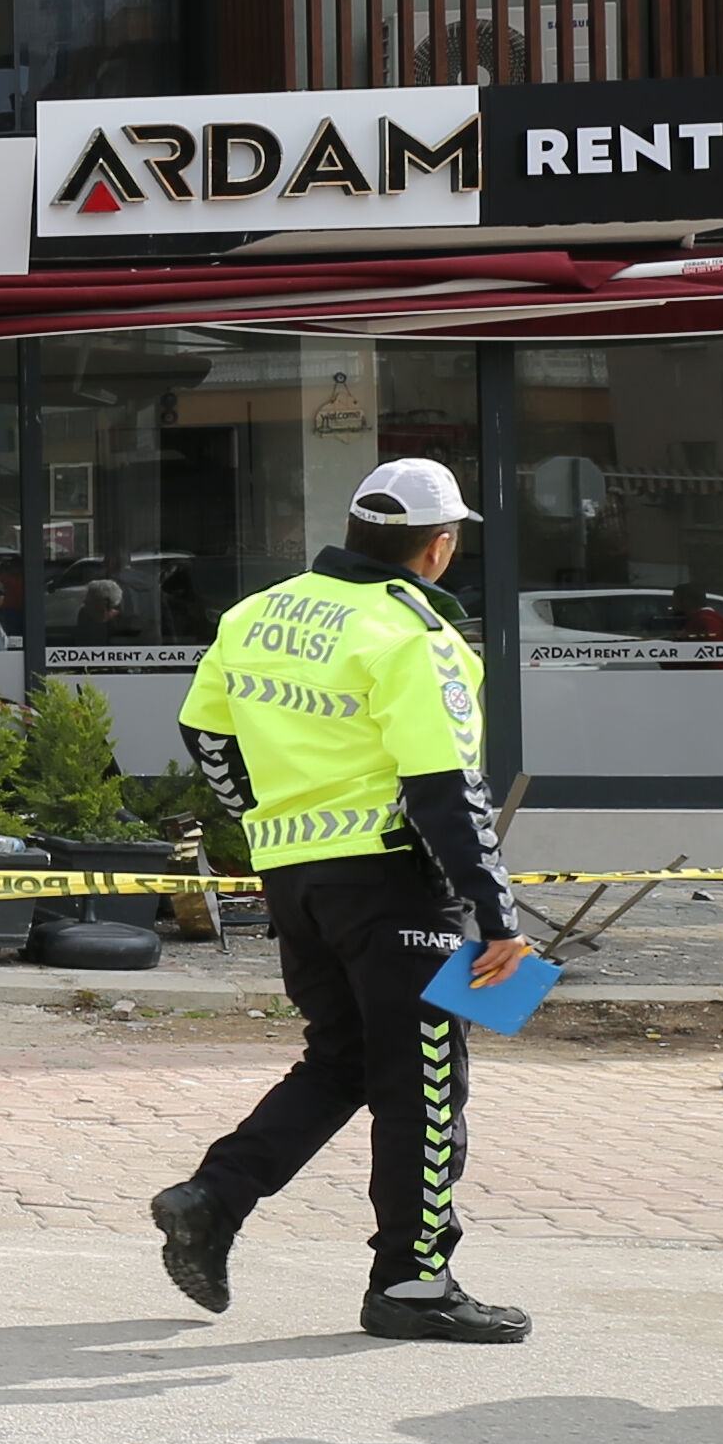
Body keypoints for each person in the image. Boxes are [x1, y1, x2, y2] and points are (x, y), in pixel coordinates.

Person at [149, 461, 545, 1343]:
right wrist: (499, 916)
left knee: (345, 1062)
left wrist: (264, 814)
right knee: (426, 1083)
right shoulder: (417, 634)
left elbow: (205, 731)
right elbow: (447, 787)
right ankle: (412, 1285)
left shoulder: (260, 611)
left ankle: (211, 1199)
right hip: (397, 879)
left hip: (295, 876)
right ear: (438, 547)